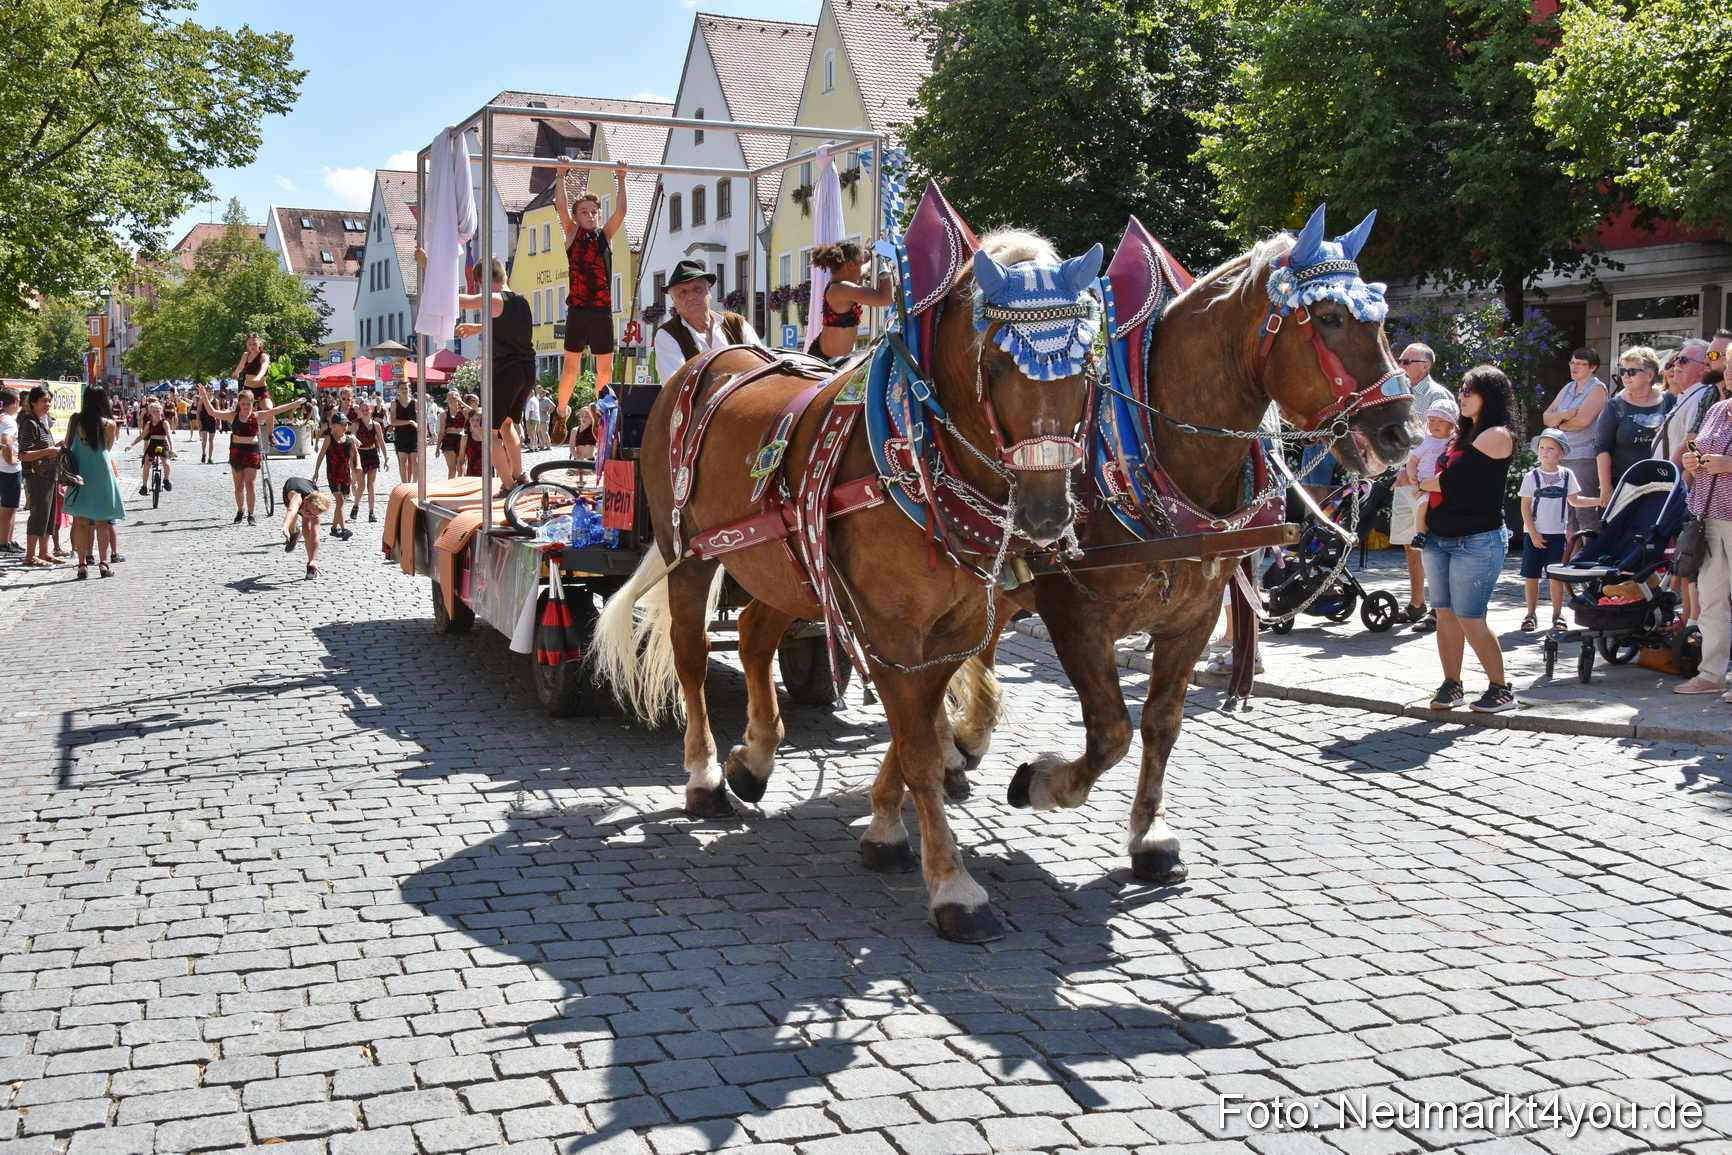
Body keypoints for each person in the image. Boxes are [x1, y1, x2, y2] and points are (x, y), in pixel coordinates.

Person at [1418, 365, 1519, 713]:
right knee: (1444, 613)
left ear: (1489, 396)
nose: (1461, 396)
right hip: (1439, 537)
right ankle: (1452, 685)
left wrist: (1420, 482)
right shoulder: (1462, 434)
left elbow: (1451, 482)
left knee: (1469, 616)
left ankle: (1501, 689)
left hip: (1476, 541)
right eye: (1460, 389)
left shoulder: (1496, 434)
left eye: (1469, 390)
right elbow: (1435, 474)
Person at [419, 251, 536, 486]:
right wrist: (478, 328)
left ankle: (508, 484)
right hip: (527, 369)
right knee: (507, 424)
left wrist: (428, 268)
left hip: (506, 371)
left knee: (489, 432)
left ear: (482, 281)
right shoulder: (521, 301)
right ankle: (520, 474)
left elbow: (452, 299)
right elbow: (507, 327)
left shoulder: (494, 298)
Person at [553, 162, 628, 428]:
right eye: (584, 212)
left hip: (601, 312)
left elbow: (621, 210)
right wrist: (561, 175)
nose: (591, 215)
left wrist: (621, 177)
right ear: (576, 217)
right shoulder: (572, 234)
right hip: (578, 311)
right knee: (570, 370)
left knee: (605, 371)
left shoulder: (605, 236)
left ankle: (601, 412)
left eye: (594, 212)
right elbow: (561, 207)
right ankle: (561, 412)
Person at [1387, 344, 1456, 623]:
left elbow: (1443, 445)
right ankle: (1418, 603)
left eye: (1406, 361)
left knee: (1432, 542)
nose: (1399, 364)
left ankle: (1441, 609)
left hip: (1426, 482)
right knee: (1410, 542)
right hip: (1405, 478)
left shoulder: (1437, 396)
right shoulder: (1400, 392)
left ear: (1425, 365)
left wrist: (1411, 471)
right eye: (1399, 360)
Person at [1675, 391, 1732, 699]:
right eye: (1730, 367)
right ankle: (1711, 673)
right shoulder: (1718, 409)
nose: (1731, 374)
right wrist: (1692, 460)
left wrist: (1729, 465)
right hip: (1709, 517)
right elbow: (1701, 450)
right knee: (1710, 600)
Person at [1517, 429, 1592, 633]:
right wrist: (1532, 533)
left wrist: (1600, 500)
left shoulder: (1567, 476)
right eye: (1542, 448)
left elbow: (1574, 500)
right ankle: (1530, 614)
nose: (1544, 451)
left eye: (1550, 448)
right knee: (1531, 576)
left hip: (1557, 533)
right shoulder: (1531, 476)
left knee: (1556, 577)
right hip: (1534, 533)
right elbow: (1525, 506)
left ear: (1561, 453)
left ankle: (1557, 615)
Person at [1395, 396, 1459, 634]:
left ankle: (1440, 608)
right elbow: (1413, 459)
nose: (1433, 426)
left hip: (1438, 494)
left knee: (1436, 550)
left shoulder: (1454, 442)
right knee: (1416, 548)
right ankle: (1419, 603)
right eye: (1430, 421)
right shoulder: (1427, 440)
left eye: (1439, 421)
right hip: (1417, 489)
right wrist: (1411, 475)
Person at [199, 384, 305, 525]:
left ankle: (251, 513)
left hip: (252, 451)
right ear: (239, 403)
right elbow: (212, 412)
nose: (246, 406)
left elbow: (276, 410)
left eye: (249, 404)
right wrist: (204, 397)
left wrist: (295, 404)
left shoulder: (257, 416)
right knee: (238, 485)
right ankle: (240, 510)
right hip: (237, 451)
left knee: (250, 484)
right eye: (243, 404)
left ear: (252, 404)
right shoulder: (232, 415)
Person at [652, 259, 765, 380]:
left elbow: (762, 365)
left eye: (697, 289)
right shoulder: (667, 334)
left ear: (709, 292)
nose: (691, 296)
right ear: (674, 300)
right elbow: (677, 384)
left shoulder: (737, 323)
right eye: (682, 292)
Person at [1542, 347, 1610, 539]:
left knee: (1585, 511)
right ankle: (1570, 558)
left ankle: (1589, 558)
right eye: (1573, 363)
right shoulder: (1568, 387)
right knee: (1567, 511)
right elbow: (1547, 418)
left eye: (1581, 364)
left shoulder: (1596, 389)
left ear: (1593, 367)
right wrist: (1563, 416)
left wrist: (1558, 423)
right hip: (1563, 456)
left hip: (1583, 456)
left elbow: (1582, 422)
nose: (1575, 367)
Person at [60, 385, 125, 578]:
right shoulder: (110, 424)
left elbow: (67, 443)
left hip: (80, 472)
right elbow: (108, 447)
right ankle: (104, 564)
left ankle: (82, 564)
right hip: (101, 472)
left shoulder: (75, 420)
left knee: (80, 522)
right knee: (102, 522)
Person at [809, 241, 894, 363]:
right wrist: (884, 263)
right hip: (828, 362)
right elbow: (886, 299)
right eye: (859, 264)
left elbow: (863, 270)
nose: (861, 269)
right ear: (850, 265)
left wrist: (870, 258)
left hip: (831, 357)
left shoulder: (838, 285)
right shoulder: (841, 289)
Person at [18, 387, 65, 567]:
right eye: (44, 401)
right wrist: (48, 451)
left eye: (49, 401)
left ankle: (44, 553)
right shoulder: (29, 423)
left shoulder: (41, 422)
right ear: (33, 402)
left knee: (49, 516)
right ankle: (30, 556)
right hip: (37, 476)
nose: (48, 404)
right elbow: (23, 454)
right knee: (38, 516)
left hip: (49, 475)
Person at [311, 410, 357, 540]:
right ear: (334, 426)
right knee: (340, 500)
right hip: (333, 474)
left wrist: (357, 465)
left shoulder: (349, 439)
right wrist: (316, 472)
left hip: (345, 474)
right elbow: (321, 455)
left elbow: (355, 454)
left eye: (346, 424)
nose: (345, 427)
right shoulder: (329, 439)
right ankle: (344, 529)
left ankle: (333, 528)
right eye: (342, 424)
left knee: (340, 503)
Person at [279, 475, 333, 580]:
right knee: (294, 513)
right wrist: (285, 526)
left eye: (313, 514)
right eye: (308, 512)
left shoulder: (314, 510)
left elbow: (315, 535)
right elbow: (291, 511)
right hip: (291, 488)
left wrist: (313, 559)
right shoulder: (298, 498)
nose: (309, 514)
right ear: (306, 500)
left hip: (311, 487)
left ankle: (311, 566)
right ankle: (293, 531)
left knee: (308, 530)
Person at [126, 400, 175, 495]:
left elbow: (169, 436)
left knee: (166, 463)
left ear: (161, 411)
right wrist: (131, 444)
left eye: (158, 411)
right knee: (146, 463)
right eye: (154, 411)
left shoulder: (164, 423)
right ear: (150, 412)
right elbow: (142, 436)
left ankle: (166, 480)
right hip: (152, 444)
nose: (156, 413)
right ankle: (144, 486)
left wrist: (172, 448)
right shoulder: (149, 424)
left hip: (163, 444)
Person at [352, 403, 389, 522]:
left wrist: (386, 457)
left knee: (371, 485)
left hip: (372, 454)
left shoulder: (376, 425)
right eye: (362, 409)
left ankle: (371, 512)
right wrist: (355, 439)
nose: (365, 411)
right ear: (360, 411)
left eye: (367, 409)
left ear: (371, 410)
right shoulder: (356, 424)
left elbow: (382, 442)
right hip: (359, 455)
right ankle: (356, 505)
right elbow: (352, 436)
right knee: (361, 486)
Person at [0, 388, 20, 554]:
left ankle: (9, 540)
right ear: (14, 403)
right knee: (9, 507)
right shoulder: (8, 420)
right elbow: (6, 440)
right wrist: (10, 459)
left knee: (11, 507)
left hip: (5, 468)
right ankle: (4, 541)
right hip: (8, 469)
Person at [389, 387, 419, 484]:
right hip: (401, 435)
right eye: (402, 388)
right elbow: (393, 421)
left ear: (409, 389)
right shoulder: (395, 403)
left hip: (414, 435)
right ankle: (405, 485)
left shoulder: (415, 403)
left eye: (406, 388)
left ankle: (414, 485)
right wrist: (410, 422)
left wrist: (423, 435)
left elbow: (421, 421)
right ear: (398, 389)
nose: (404, 390)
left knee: (414, 462)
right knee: (404, 463)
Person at [438, 391, 466, 480]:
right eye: (449, 398)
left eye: (454, 398)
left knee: (461, 466)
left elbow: (473, 412)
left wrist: (461, 402)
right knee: (452, 468)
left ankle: (461, 485)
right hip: (449, 439)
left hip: (461, 439)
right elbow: (442, 431)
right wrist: (437, 447)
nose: (451, 400)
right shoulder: (444, 413)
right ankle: (451, 488)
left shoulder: (464, 411)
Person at [524, 387, 552, 451]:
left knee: (532, 434)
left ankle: (532, 447)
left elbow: (531, 410)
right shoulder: (536, 399)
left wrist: (529, 419)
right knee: (535, 434)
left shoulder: (531, 400)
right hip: (537, 418)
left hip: (532, 418)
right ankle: (535, 446)